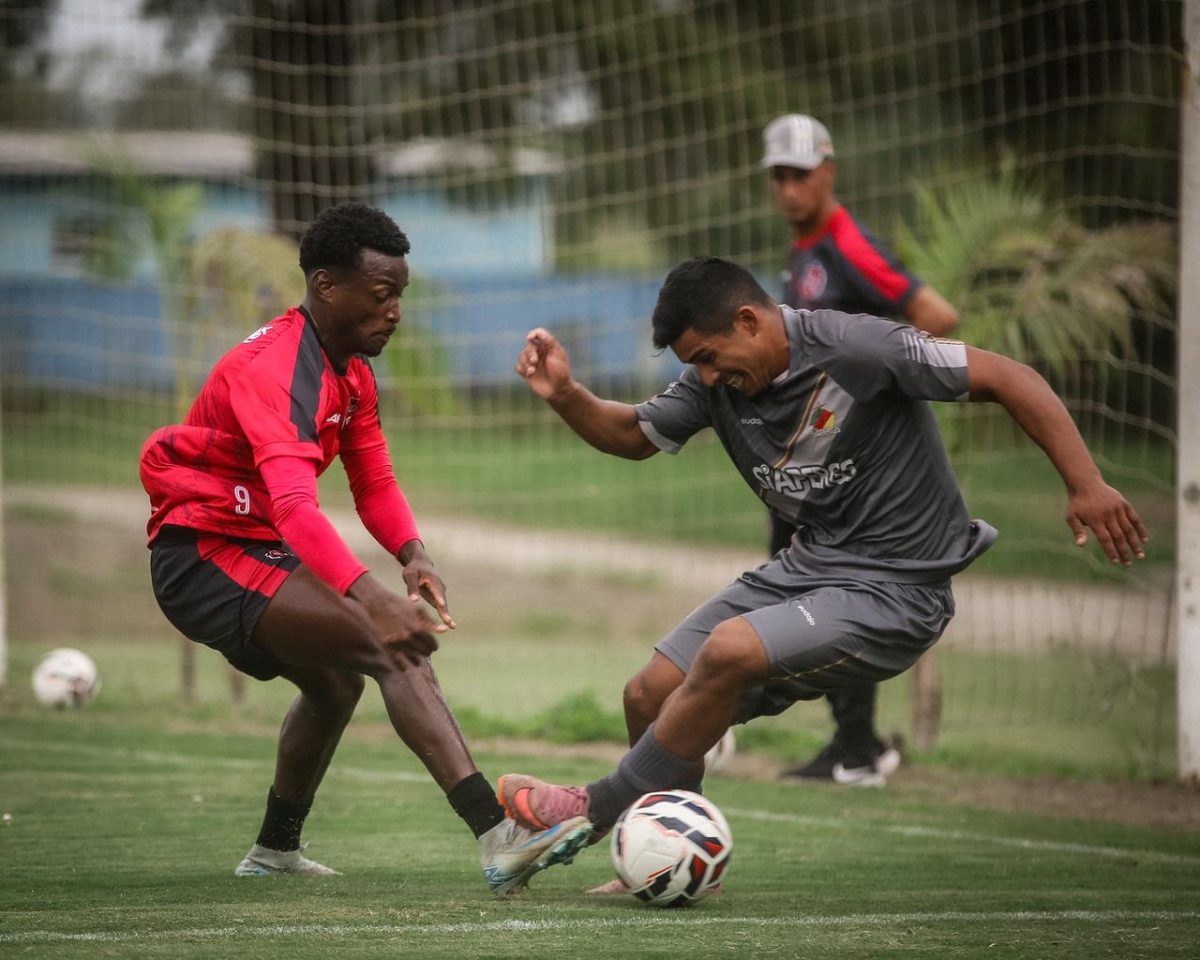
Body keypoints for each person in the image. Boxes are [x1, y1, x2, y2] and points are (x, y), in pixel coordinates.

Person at [497, 255, 1146, 856]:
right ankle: (671, 857)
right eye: (696, 365)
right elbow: (634, 435)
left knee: (727, 648)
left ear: (749, 320)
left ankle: (590, 808)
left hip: (899, 592)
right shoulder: (715, 383)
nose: (709, 377)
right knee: (646, 695)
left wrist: (1086, 483)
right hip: (811, 571)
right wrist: (566, 394)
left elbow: (1010, 376)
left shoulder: (857, 347)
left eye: (710, 357)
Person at [139, 201, 591, 893]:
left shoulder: (348, 369)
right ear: (326, 285)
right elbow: (294, 508)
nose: (395, 311)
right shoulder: (276, 369)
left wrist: (413, 554)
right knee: (389, 646)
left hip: (249, 544)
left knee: (336, 684)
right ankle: (498, 837)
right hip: (202, 554)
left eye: (400, 296)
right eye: (381, 295)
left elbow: (373, 479)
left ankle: (273, 852)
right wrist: (372, 597)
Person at [761, 112, 960, 785]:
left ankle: (857, 746)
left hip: (849, 465)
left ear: (830, 172)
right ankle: (854, 743)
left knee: (828, 589)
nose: (789, 188)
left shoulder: (849, 245)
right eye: (779, 176)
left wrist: (879, 398)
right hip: (812, 461)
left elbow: (937, 318)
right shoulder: (804, 248)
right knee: (798, 583)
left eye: (801, 174)